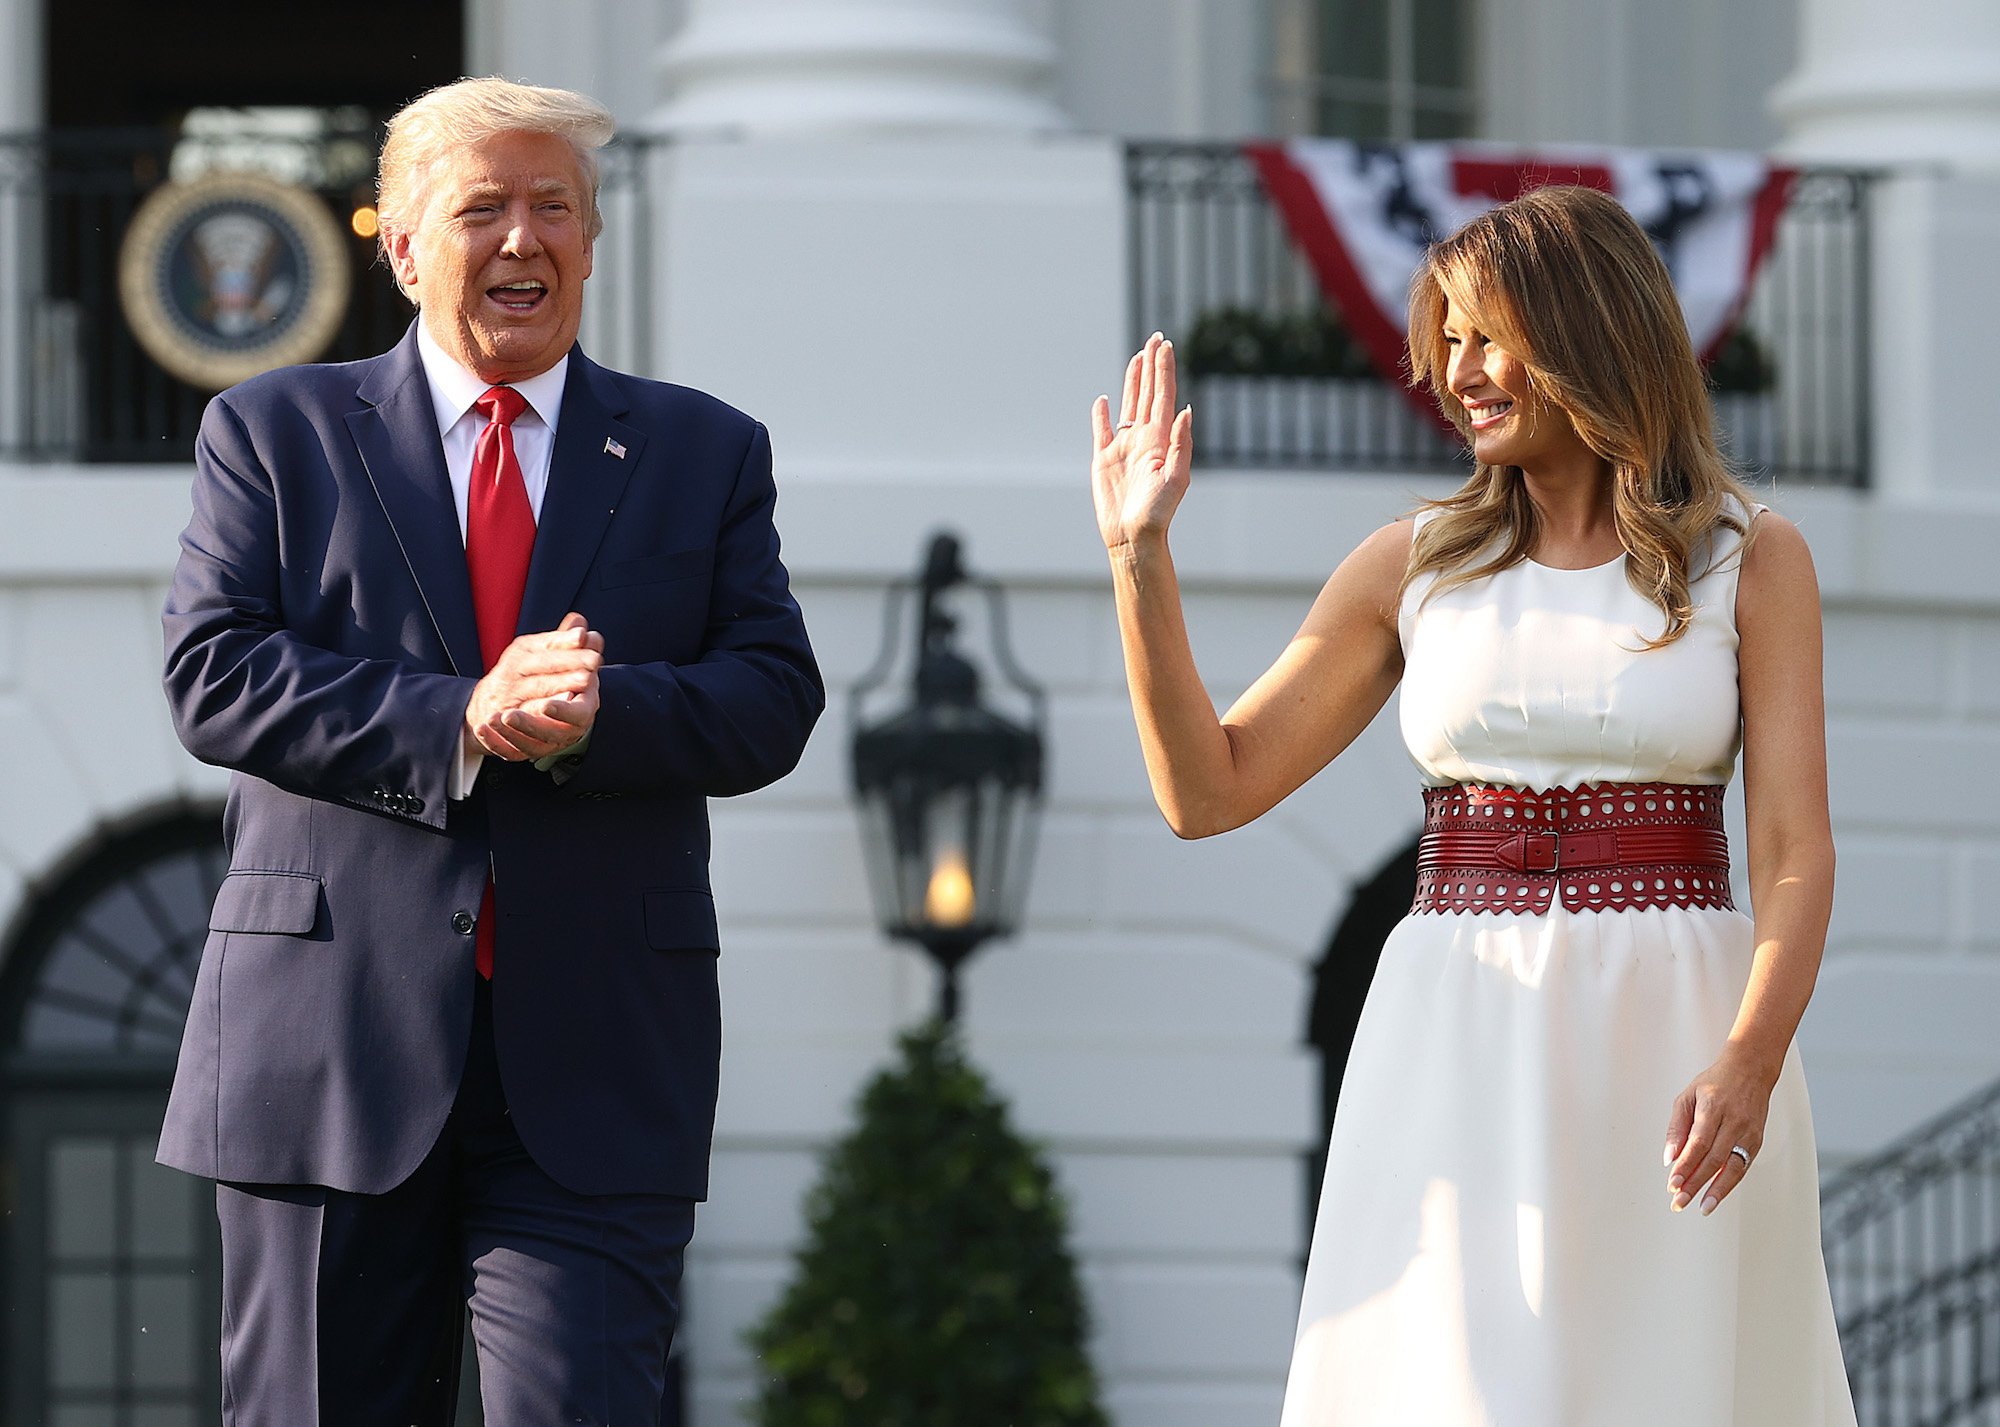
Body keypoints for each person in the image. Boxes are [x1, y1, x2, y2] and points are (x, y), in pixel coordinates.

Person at [1090, 185, 1855, 1424]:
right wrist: (1138, 559)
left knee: (1659, 1380)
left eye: (1486, 334)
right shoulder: (1411, 564)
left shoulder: (1748, 559)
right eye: (1444, 339)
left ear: (1588, 335)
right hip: (1451, 1027)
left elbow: (1788, 848)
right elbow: (1206, 787)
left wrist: (1751, 1056)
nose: (1458, 370)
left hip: (1675, 1035)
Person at [158, 77, 823, 1425]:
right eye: (482, 209)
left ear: (590, 238)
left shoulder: (703, 450)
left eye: (554, 208)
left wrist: (602, 717)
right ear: (401, 245)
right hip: (327, 1055)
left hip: (590, 1068)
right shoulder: (274, 433)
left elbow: (771, 694)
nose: (524, 239)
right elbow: (213, 672)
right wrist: (457, 719)